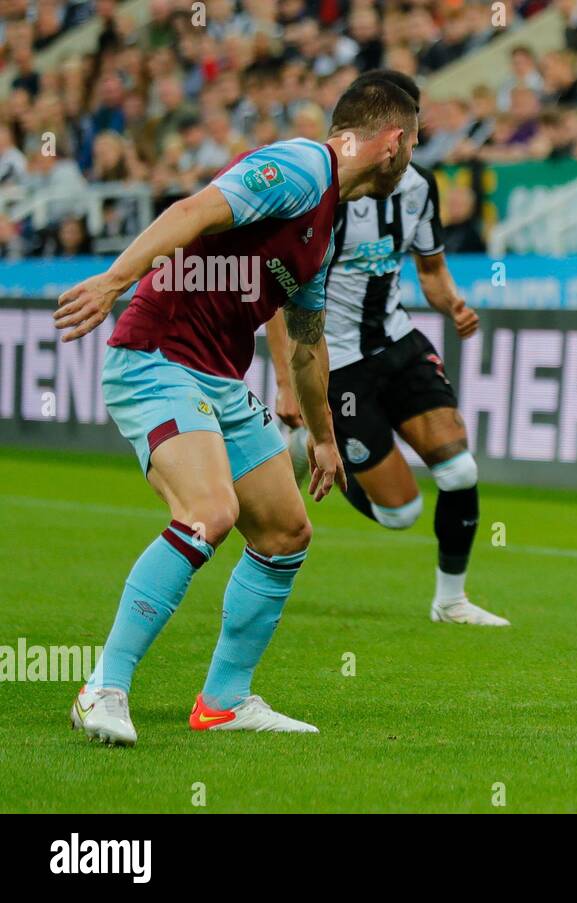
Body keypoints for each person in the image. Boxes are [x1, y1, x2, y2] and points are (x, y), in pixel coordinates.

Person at [54, 75, 420, 746]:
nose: (415, 159)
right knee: (208, 513)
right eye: (417, 142)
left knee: (285, 532)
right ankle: (102, 684)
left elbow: (307, 344)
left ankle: (223, 700)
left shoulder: (327, 225)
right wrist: (114, 279)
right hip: (158, 355)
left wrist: (325, 436)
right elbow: (192, 211)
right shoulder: (303, 167)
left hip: (218, 378)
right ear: (394, 141)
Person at [269, 71, 508, 628]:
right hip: (342, 366)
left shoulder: (420, 187)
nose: (418, 145)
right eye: (415, 134)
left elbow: (431, 269)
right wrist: (286, 383)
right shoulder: (318, 196)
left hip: (398, 342)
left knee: (460, 471)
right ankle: (312, 439)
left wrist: (453, 304)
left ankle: (451, 600)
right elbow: (283, 299)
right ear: (392, 135)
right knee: (401, 514)